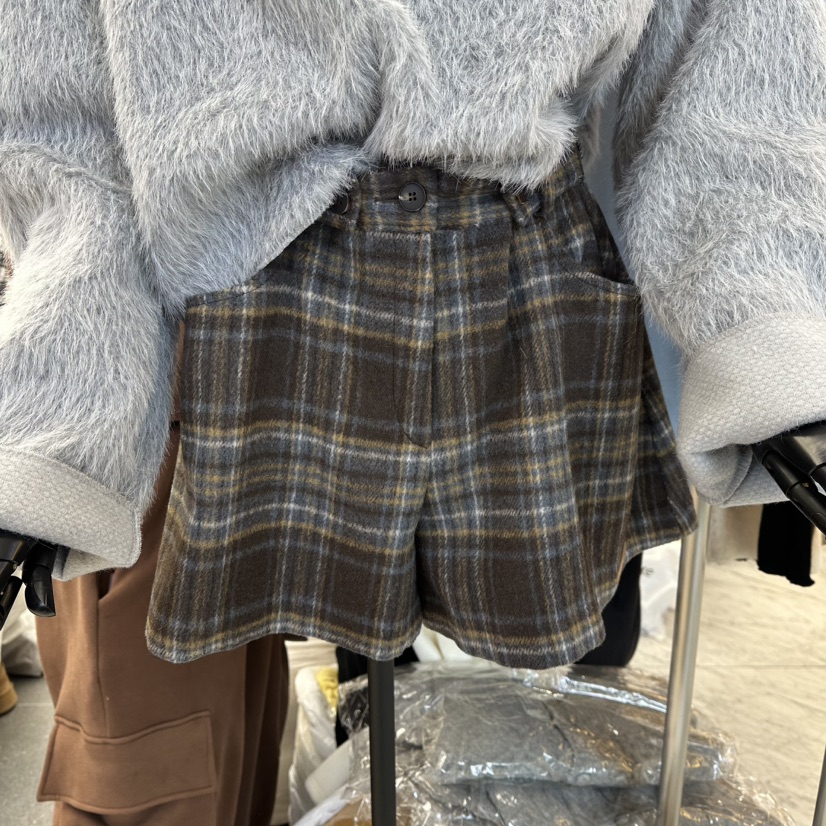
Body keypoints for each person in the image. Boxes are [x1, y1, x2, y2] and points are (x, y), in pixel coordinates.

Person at [1, 1, 825, 820]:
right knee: (315, 682)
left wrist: (770, 313)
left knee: (562, 661)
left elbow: (725, 60)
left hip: (535, 283)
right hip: (266, 287)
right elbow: (67, 125)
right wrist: (52, 407)